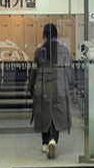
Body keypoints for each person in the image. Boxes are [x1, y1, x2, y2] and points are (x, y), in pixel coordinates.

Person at [29, 23, 74, 159]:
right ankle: (53, 140)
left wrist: (31, 88)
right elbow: (69, 70)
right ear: (56, 35)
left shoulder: (39, 51)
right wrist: (71, 85)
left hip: (42, 86)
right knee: (56, 114)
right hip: (58, 87)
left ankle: (45, 142)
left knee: (44, 114)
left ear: (44, 35)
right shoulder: (64, 50)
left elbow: (33, 72)